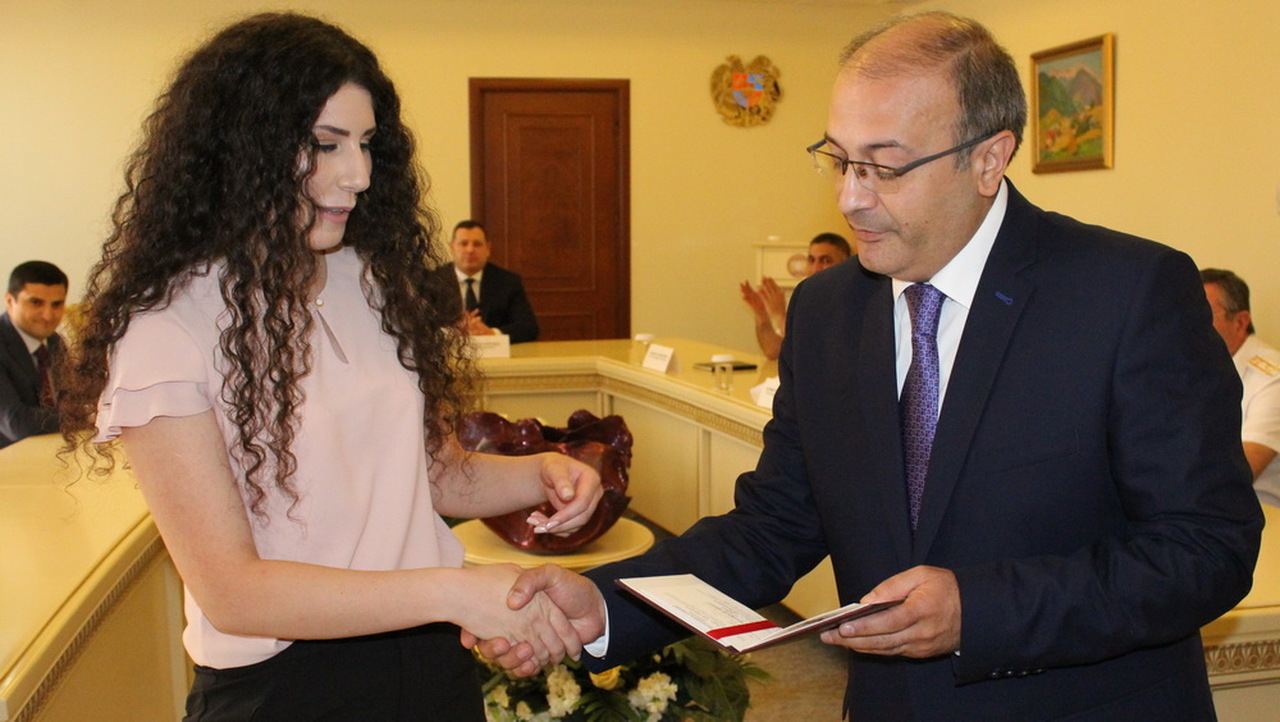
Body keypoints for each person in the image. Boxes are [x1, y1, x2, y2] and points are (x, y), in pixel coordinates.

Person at [475, 11, 1263, 720]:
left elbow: (1208, 547)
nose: (851, 198)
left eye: (885, 167)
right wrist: (605, 606)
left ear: (989, 159)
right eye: (838, 160)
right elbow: (772, 528)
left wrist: (979, 611)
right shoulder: (827, 312)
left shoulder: (1126, 293)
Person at [59, 14, 601, 720]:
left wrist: (543, 473)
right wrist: (451, 590)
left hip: (429, 661)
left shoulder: (372, 282)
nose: (359, 174)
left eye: (367, 144)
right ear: (242, 148)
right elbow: (233, 592)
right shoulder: (167, 327)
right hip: (285, 687)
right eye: (326, 144)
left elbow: (433, 475)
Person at [1202, 268, 1280, 506]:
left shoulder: (1272, 380)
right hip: (1200, 512)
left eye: (1203, 315)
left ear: (1240, 322)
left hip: (1262, 516)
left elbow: (1239, 474)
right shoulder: (1190, 372)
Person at [740, 232, 851, 359]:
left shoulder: (849, 302)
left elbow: (811, 351)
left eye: (825, 260)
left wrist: (779, 317)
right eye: (811, 260)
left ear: (845, 264)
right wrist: (762, 315)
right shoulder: (808, 299)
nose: (816, 268)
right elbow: (774, 351)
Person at [436, 219, 540, 342]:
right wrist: (453, 331)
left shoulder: (508, 281)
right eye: (463, 244)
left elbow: (529, 327)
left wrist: (492, 333)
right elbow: (421, 328)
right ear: (452, 248)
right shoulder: (433, 281)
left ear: (488, 249)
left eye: (477, 244)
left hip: (495, 352)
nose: (470, 250)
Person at [1, 260, 68, 448]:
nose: (48, 315)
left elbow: (70, 400)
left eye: (57, 304)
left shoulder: (54, 342)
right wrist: (84, 415)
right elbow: (16, 423)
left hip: (47, 449)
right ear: (9, 301)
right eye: (36, 303)